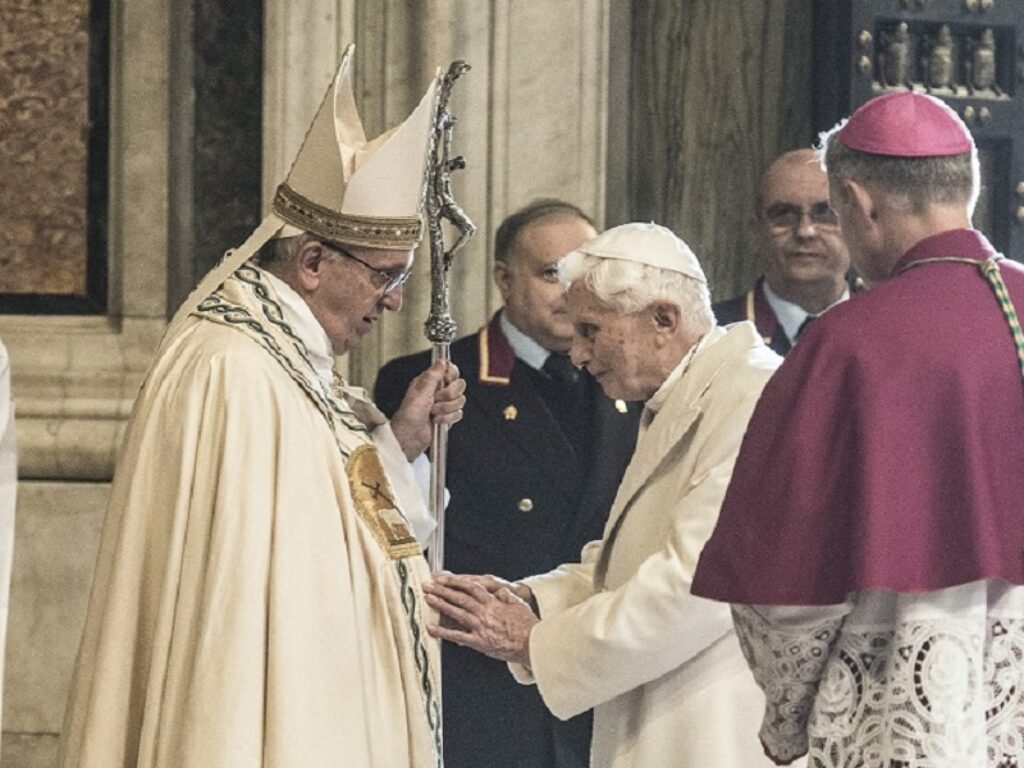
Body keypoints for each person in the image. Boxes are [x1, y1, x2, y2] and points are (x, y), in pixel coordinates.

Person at [58, 46, 465, 767]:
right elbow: (237, 617)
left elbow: (338, 523)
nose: (395, 301)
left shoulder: (290, 363)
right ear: (311, 263)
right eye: (384, 277)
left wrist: (400, 442)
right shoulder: (233, 372)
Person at [692, 92, 1024, 766]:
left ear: (859, 200)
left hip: (901, 709)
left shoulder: (847, 342)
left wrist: (787, 720)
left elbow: (785, 587)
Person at [423, 222, 790, 768]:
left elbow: (700, 581)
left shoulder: (754, 393)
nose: (576, 353)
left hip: (715, 721)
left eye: (591, 331)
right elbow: (629, 559)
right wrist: (533, 600)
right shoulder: (685, 390)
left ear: (663, 319)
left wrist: (535, 643)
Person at [375, 200, 640, 768]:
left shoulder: (629, 389)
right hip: (480, 686)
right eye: (552, 274)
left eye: (584, 275)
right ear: (503, 279)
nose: (571, 292)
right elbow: (391, 532)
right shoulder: (430, 381)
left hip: (592, 677)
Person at [714, 148, 851, 354]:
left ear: (858, 227)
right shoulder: (713, 336)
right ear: (756, 232)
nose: (805, 231)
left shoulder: (890, 329)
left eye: (825, 214)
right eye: (784, 214)